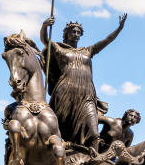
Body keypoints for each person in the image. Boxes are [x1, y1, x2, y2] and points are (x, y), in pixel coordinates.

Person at [40, 13, 127, 152]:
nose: (76, 34)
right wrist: (45, 25)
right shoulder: (58, 49)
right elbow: (45, 40)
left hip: (86, 95)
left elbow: (107, 40)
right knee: (58, 129)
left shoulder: (88, 51)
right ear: (66, 34)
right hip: (64, 93)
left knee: (93, 132)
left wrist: (119, 28)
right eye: (73, 31)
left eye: (78, 32)